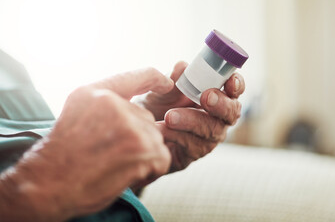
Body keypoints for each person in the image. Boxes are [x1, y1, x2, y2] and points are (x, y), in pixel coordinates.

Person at [0, 50, 245, 221]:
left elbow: (41, 152)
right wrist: (34, 184)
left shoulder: (7, 67)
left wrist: (137, 132)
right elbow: (45, 168)